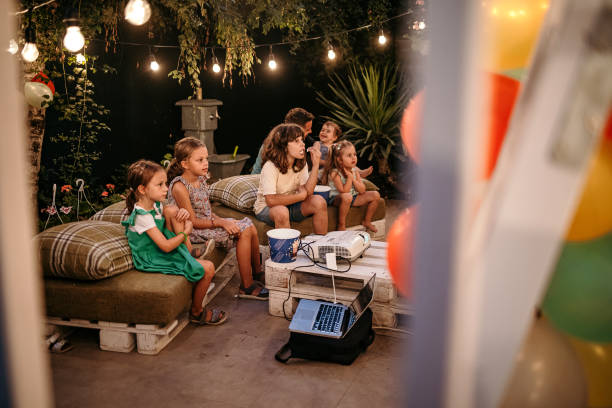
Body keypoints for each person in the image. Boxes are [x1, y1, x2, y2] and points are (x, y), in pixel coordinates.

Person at [122, 160, 228, 325]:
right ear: (142, 189)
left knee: (172, 211)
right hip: (152, 257)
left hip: (159, 247)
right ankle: (197, 313)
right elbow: (165, 246)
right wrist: (186, 232)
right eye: (160, 185)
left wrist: (183, 214)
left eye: (165, 183)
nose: (166, 188)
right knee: (208, 268)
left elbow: (169, 219)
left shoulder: (155, 205)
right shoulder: (142, 216)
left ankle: (189, 252)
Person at [167, 137, 268, 300]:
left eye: (206, 159)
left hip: (207, 224)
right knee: (244, 230)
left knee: (248, 224)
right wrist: (221, 222)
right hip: (194, 231)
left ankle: (257, 272)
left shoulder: (201, 179)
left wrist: (226, 221)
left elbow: (207, 211)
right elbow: (193, 221)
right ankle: (246, 286)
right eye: (200, 160)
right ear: (185, 164)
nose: (205, 163)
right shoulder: (180, 186)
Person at [253, 123, 328, 234]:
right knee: (281, 211)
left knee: (319, 201)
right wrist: (300, 196)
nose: (303, 144)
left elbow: (309, 192)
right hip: (267, 208)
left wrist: (316, 165)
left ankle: (322, 242)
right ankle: (288, 246)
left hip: (291, 205)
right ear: (283, 146)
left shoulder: (300, 163)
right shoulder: (270, 166)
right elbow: (271, 201)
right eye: (296, 141)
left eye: (302, 140)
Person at [322, 140, 381, 232]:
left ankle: (367, 221)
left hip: (352, 197)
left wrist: (353, 179)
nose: (353, 158)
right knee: (347, 197)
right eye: (349, 155)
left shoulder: (354, 170)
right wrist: (349, 178)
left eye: (354, 154)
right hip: (337, 198)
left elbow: (362, 190)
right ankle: (341, 225)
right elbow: (344, 191)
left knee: (375, 195)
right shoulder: (335, 173)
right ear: (339, 160)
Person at [251, 107, 314, 174]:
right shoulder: (272, 147)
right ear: (295, 129)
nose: (311, 131)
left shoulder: (305, 140)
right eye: (307, 129)